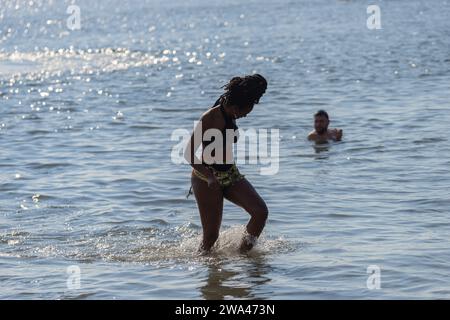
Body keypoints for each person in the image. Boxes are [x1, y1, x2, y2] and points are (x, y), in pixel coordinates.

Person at [184, 74, 268, 254]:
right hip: (206, 177)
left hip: (231, 173)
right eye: (246, 111)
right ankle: (206, 272)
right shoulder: (210, 118)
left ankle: (242, 256)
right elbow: (188, 153)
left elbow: (246, 87)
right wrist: (209, 177)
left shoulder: (229, 105)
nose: (245, 116)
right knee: (211, 237)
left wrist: (258, 87)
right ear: (236, 107)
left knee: (260, 212)